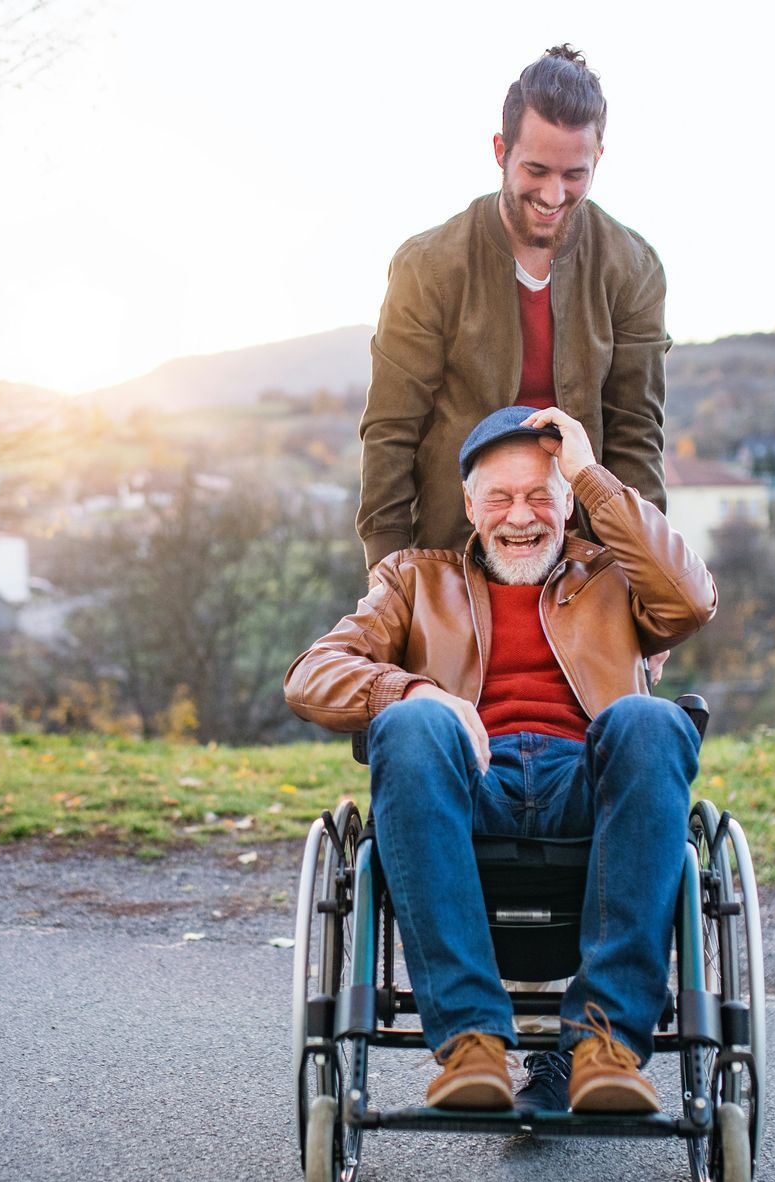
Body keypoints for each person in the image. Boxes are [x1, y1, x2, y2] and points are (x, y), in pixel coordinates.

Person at [286, 405, 716, 1113]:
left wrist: (588, 473)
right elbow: (311, 673)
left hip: (590, 779)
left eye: (541, 494)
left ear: (569, 500)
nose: (521, 516)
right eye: (501, 497)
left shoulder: (612, 572)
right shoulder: (412, 580)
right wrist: (414, 687)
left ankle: (604, 1041)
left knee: (651, 717)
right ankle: (471, 1042)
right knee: (412, 723)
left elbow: (694, 601)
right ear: (468, 504)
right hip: (469, 781)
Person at [356, 44, 672, 572]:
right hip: (455, 557)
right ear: (501, 150)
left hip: (583, 564)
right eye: (537, 170)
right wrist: (389, 579)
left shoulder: (633, 268)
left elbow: (636, 437)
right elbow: (391, 432)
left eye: (574, 174)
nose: (553, 194)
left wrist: (648, 582)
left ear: (598, 159)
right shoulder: (427, 267)